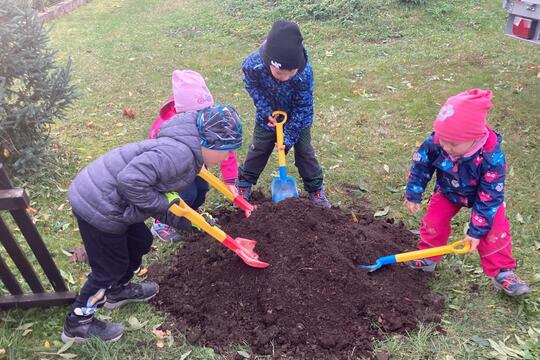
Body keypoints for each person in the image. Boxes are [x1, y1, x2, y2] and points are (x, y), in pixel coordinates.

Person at [62, 104, 243, 342]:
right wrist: (170, 212)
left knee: (141, 240)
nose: (227, 156)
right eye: (226, 150)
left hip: (117, 201)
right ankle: (78, 322)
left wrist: (187, 220)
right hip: (99, 204)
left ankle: (117, 291)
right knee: (109, 267)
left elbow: (162, 195)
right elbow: (131, 182)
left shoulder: (188, 149)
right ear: (209, 144)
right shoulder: (178, 155)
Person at [404, 88, 530, 297]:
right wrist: (413, 193)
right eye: (442, 140)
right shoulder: (438, 141)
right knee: (432, 221)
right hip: (448, 191)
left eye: (452, 143)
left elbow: (490, 196)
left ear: (474, 137)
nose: (445, 146)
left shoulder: (491, 157)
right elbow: (421, 165)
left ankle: (503, 272)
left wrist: (476, 232)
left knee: (494, 230)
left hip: (485, 197)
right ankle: (427, 256)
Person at [237, 19, 330, 208]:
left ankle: (315, 189)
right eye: (280, 73)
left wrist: (288, 139)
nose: (286, 78)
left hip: (298, 117)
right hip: (269, 115)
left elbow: (303, 107)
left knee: (304, 151)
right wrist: (265, 111)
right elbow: (252, 86)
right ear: (269, 62)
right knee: (259, 148)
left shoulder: (304, 73)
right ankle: (244, 184)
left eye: (291, 73)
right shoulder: (253, 64)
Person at [149, 70, 239, 241]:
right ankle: (161, 221)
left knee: (201, 190)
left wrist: (229, 179)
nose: (204, 117)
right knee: (186, 193)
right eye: (199, 113)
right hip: (175, 168)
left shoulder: (211, 120)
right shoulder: (166, 125)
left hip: (198, 163)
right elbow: (153, 151)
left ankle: (191, 211)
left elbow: (225, 146)